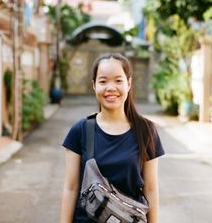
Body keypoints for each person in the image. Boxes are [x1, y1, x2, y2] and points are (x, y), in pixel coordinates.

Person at [60, 53, 165, 223]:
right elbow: (71, 188)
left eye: (118, 80)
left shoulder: (146, 131)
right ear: (94, 85)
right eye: (103, 81)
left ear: (129, 84)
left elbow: (151, 189)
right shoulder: (81, 130)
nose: (110, 88)